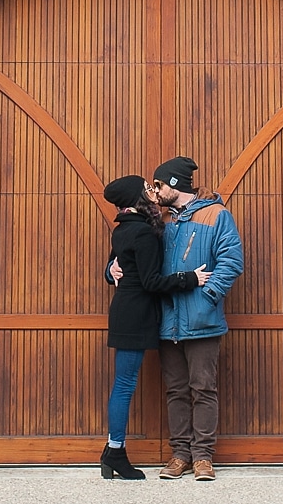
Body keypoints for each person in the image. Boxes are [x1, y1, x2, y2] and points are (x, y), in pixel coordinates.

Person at [99, 174, 212, 480]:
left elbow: (120, 264)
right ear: (138, 199)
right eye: (147, 189)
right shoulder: (144, 234)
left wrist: (111, 269)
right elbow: (151, 282)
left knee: (123, 382)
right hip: (135, 314)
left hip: (125, 311)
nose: (152, 192)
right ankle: (115, 453)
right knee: (124, 385)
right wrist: (190, 278)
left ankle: (113, 452)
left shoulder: (123, 230)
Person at [146, 156, 245, 482]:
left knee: (203, 388)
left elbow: (231, 260)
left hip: (201, 320)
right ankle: (180, 455)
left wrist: (208, 296)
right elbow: (135, 259)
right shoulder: (161, 221)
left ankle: (203, 457)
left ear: (174, 184)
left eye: (158, 185)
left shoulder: (217, 215)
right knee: (176, 390)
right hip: (167, 321)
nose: (155, 191)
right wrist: (112, 269)